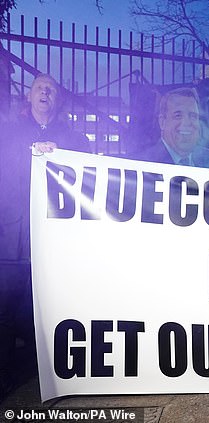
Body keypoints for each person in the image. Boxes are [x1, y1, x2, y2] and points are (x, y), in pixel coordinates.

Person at [0, 73, 89, 400]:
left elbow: (85, 172)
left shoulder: (74, 138)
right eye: (40, 87)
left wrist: (59, 154)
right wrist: (30, 154)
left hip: (54, 240)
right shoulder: (9, 134)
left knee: (52, 307)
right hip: (13, 237)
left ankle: (58, 376)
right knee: (6, 310)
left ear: (58, 99)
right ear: (29, 96)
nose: (45, 92)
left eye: (51, 89)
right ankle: (5, 375)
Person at [134, 87, 209, 168]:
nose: (186, 123)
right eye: (178, 115)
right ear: (162, 122)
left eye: (193, 116)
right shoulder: (143, 163)